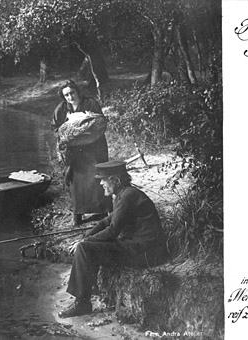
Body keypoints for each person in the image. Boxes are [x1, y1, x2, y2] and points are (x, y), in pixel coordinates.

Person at [58, 160, 169, 318]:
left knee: (85, 249)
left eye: (103, 180)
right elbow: (106, 221)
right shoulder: (125, 194)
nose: (101, 184)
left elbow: (112, 231)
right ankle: (90, 287)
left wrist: (84, 243)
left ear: (116, 180)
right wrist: (85, 237)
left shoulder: (127, 197)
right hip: (140, 247)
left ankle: (82, 303)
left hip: (145, 252)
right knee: (87, 245)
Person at [51, 80, 111, 226]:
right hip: (75, 150)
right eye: (66, 95)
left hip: (94, 147)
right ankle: (78, 214)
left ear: (77, 92)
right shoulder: (62, 108)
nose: (70, 97)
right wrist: (69, 131)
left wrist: (86, 126)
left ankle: (102, 211)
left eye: (72, 93)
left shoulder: (90, 103)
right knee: (76, 181)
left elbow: (101, 122)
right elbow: (56, 127)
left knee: (97, 177)